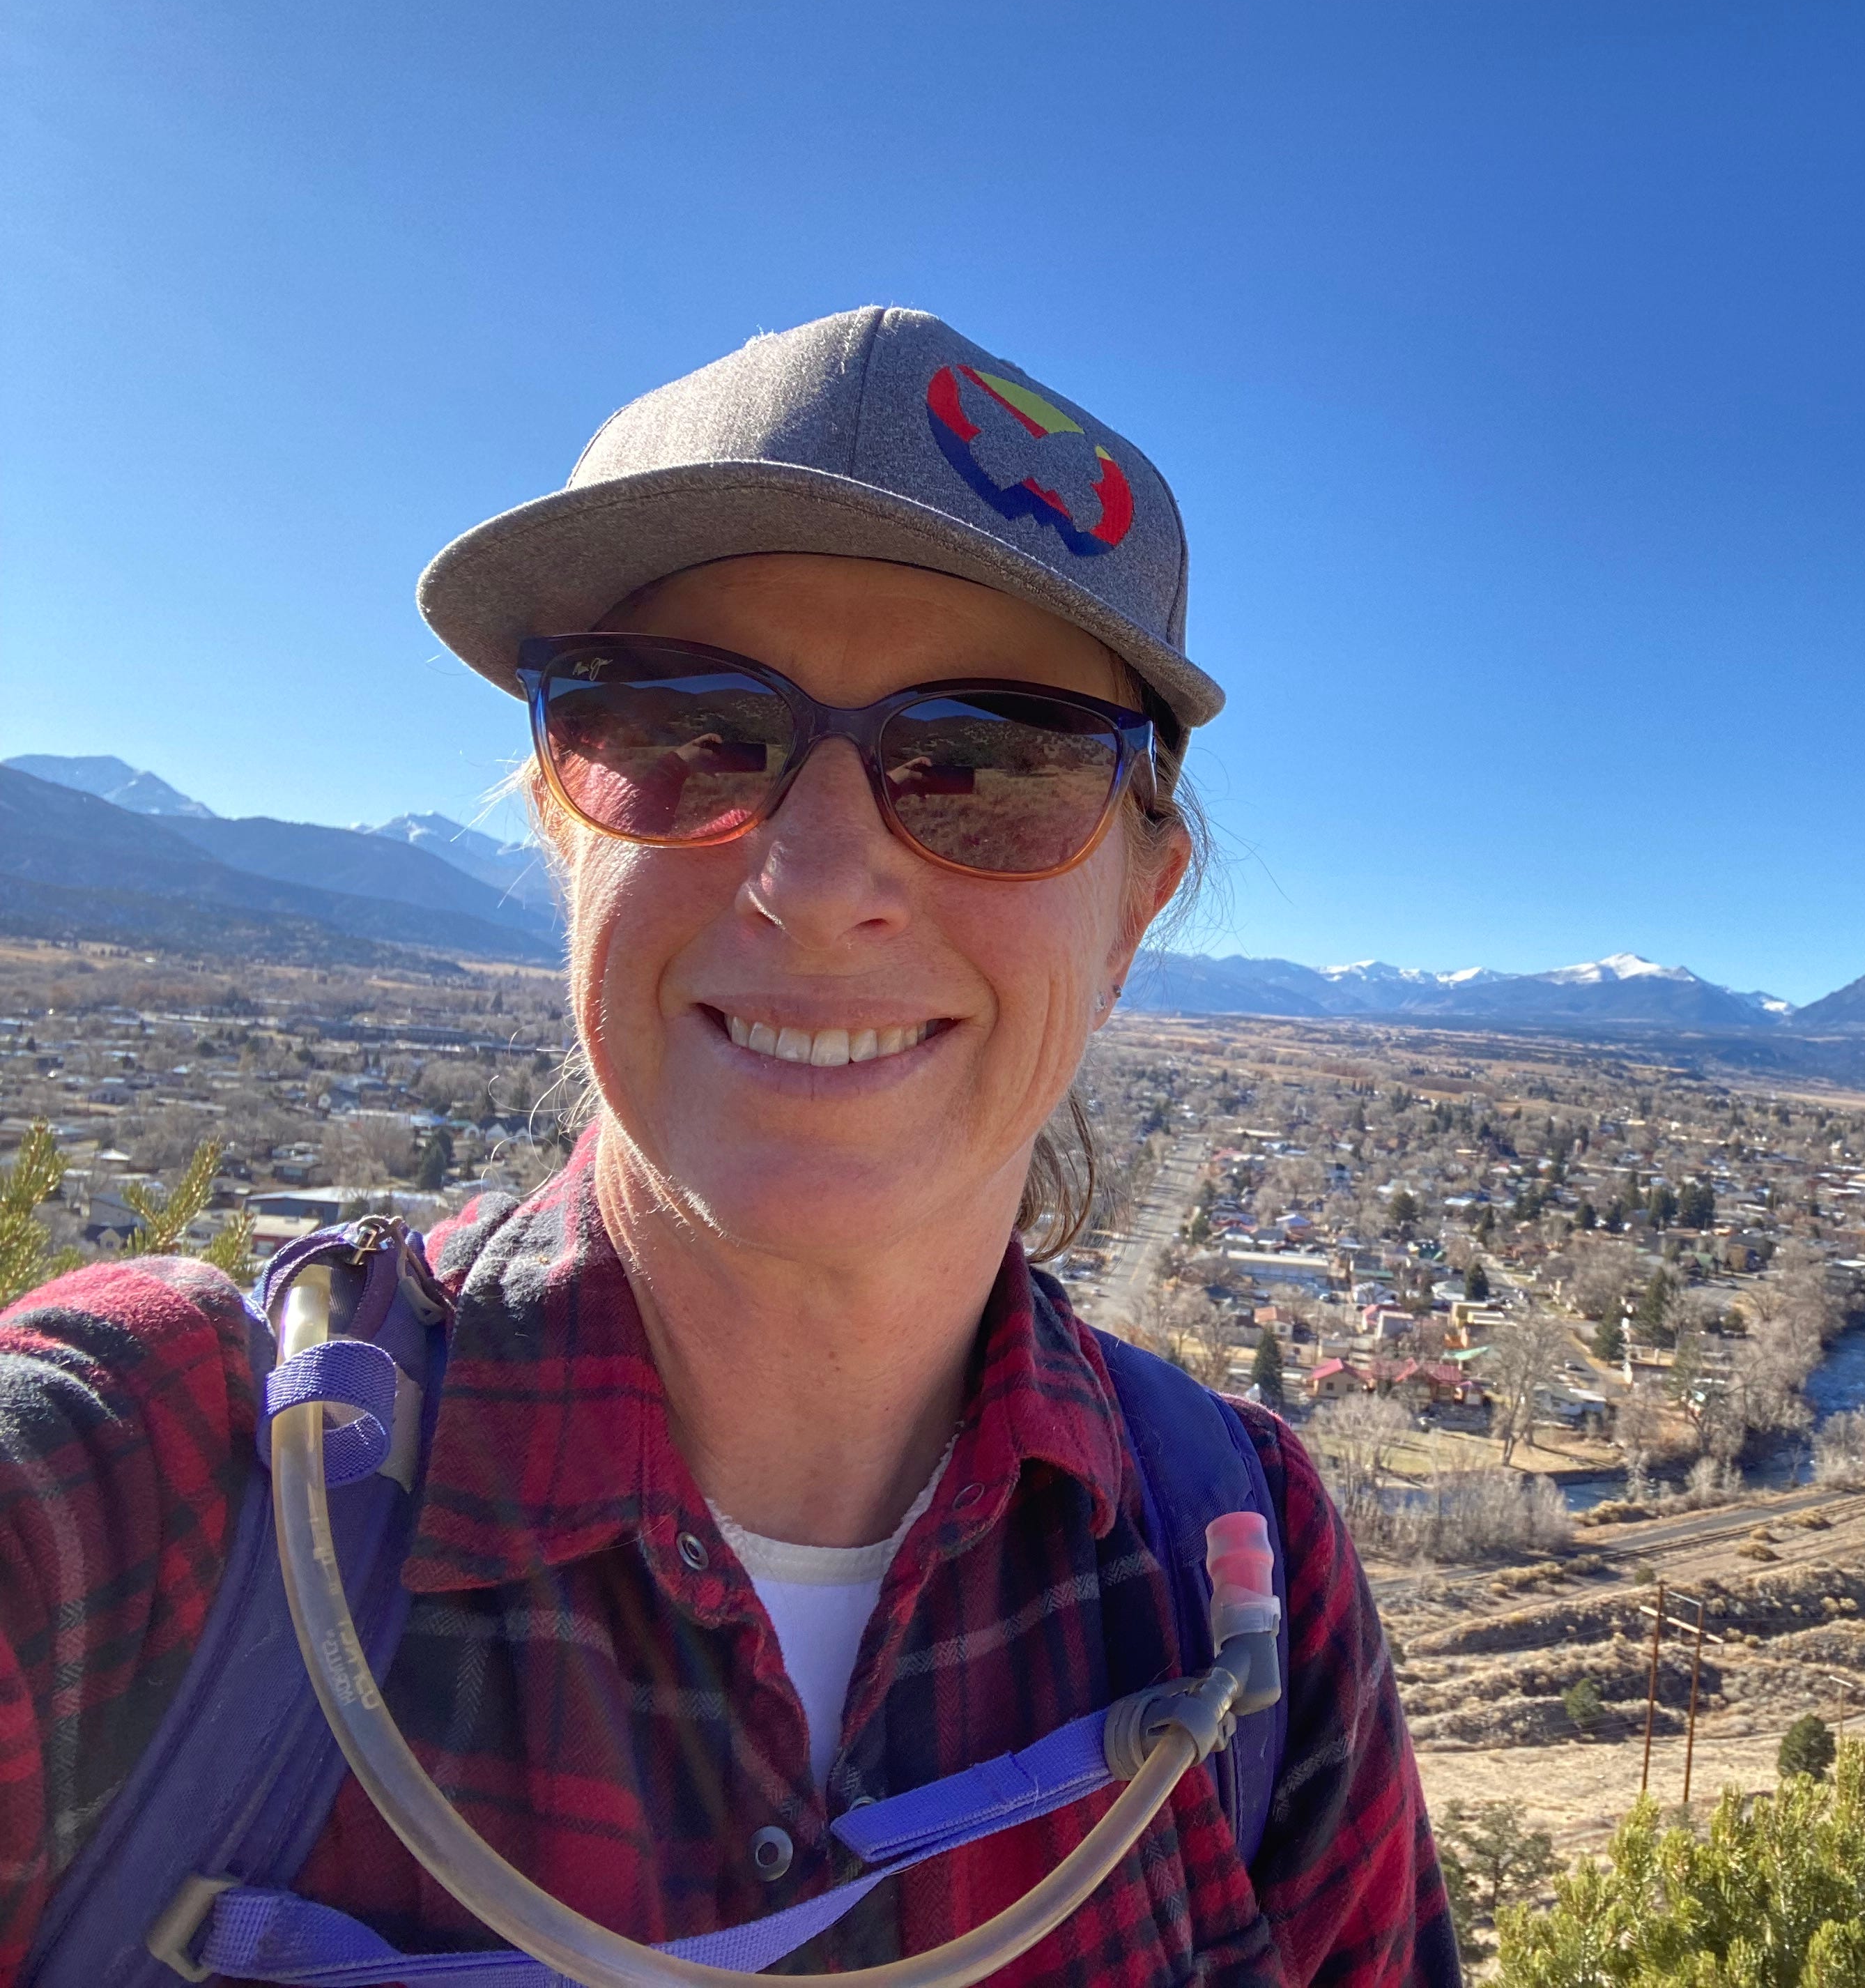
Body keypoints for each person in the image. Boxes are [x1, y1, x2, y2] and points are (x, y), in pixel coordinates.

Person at [0, 307, 1460, 1982]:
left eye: (985, 764)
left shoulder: (1245, 1574)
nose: (818, 878)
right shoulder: (140, 1490)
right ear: (564, 823)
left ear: (1136, 907)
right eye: (682, 731)